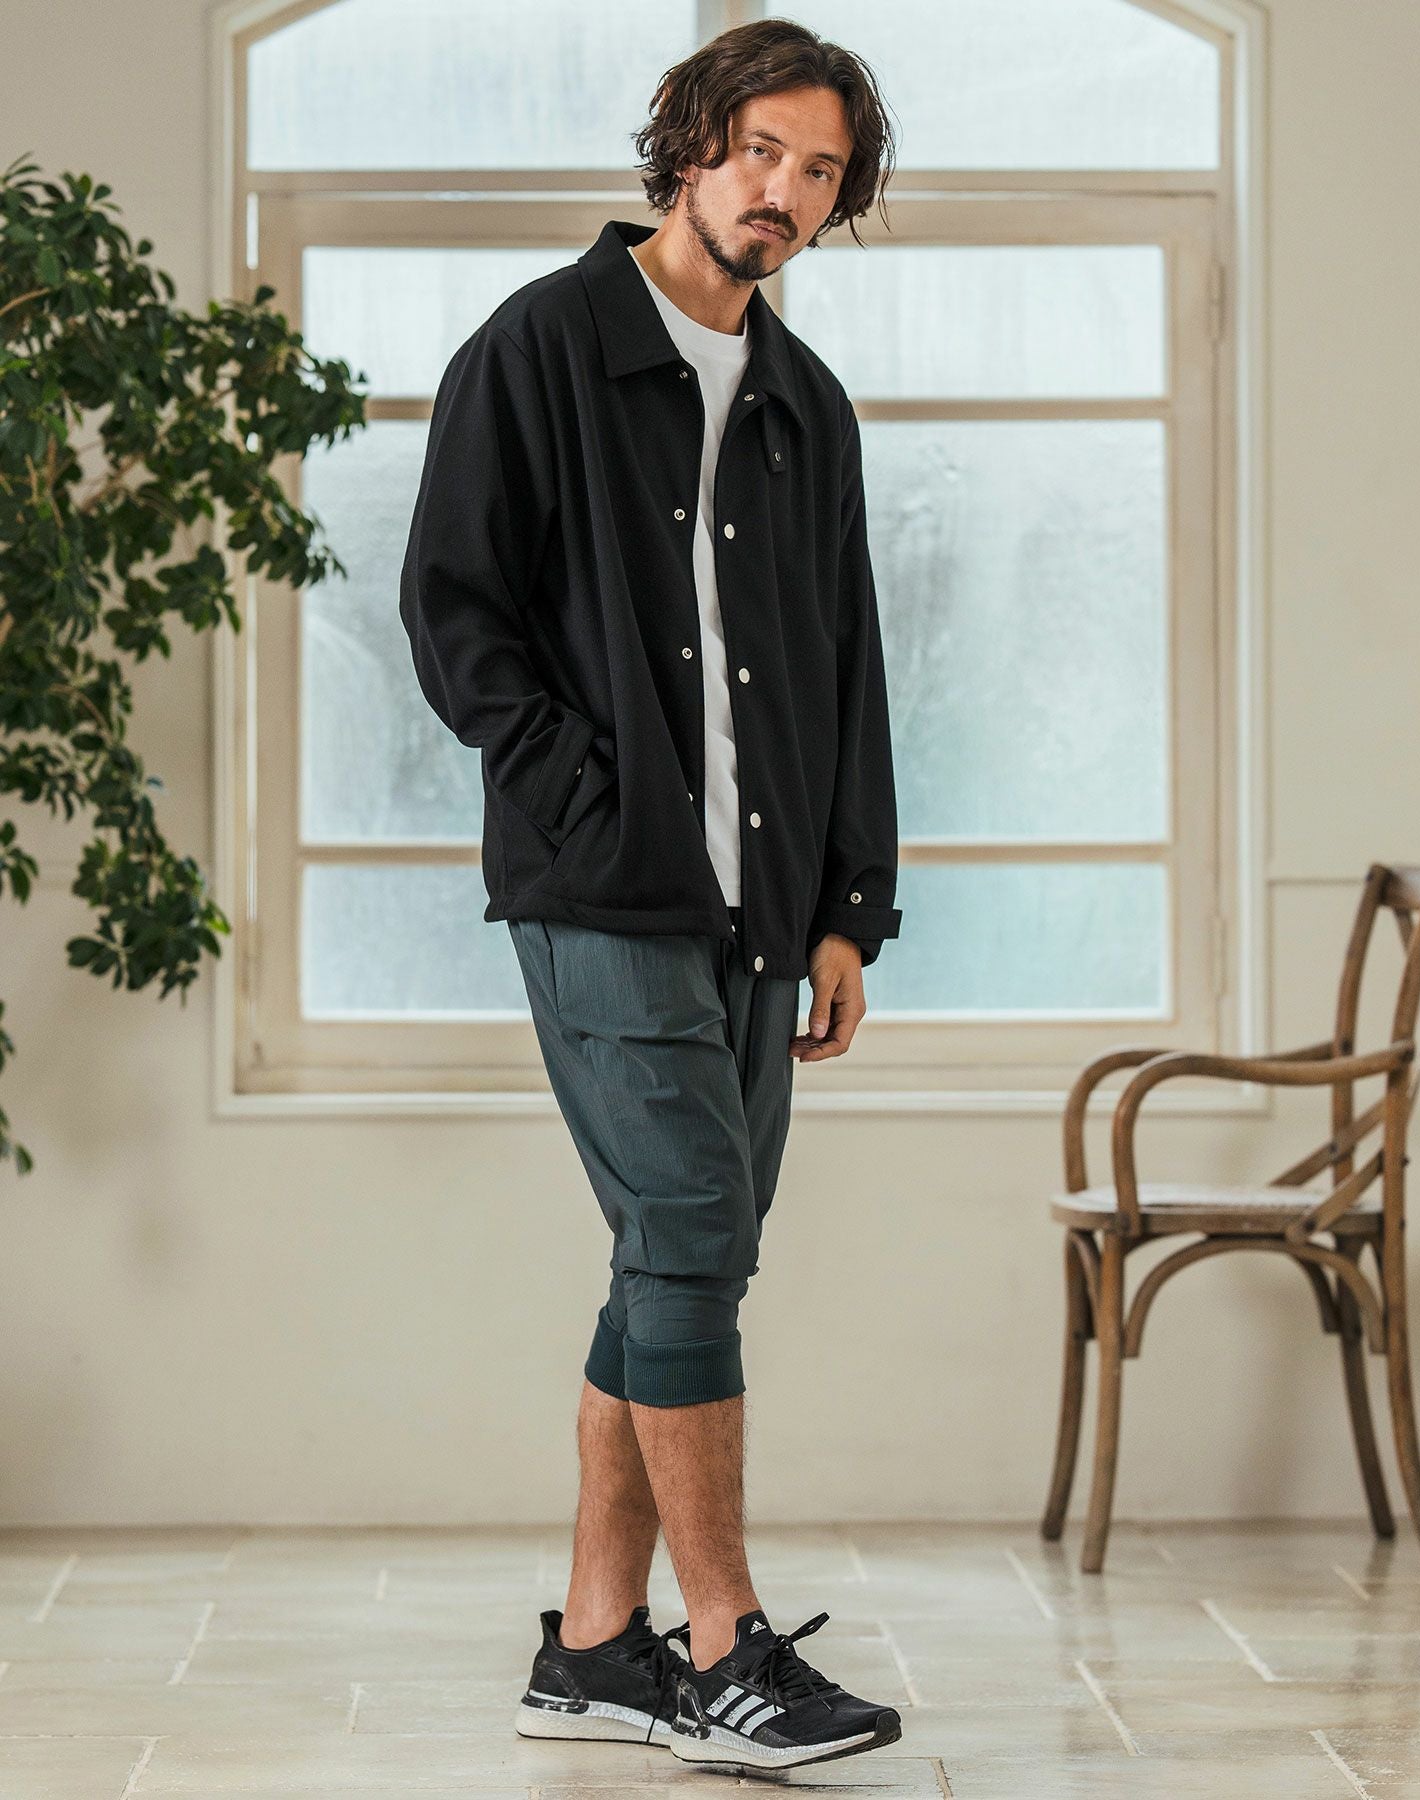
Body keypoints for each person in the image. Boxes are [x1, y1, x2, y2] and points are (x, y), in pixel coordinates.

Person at [398, 16, 902, 1776]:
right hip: (606, 889)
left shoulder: (805, 405)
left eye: (820, 172)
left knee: (684, 1249)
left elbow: (847, 664)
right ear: (689, 145)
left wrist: (848, 907)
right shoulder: (539, 348)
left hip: (766, 908)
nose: (786, 193)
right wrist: (588, 806)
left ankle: (598, 1648)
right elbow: (455, 616)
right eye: (762, 151)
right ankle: (728, 1647)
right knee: (692, 1231)